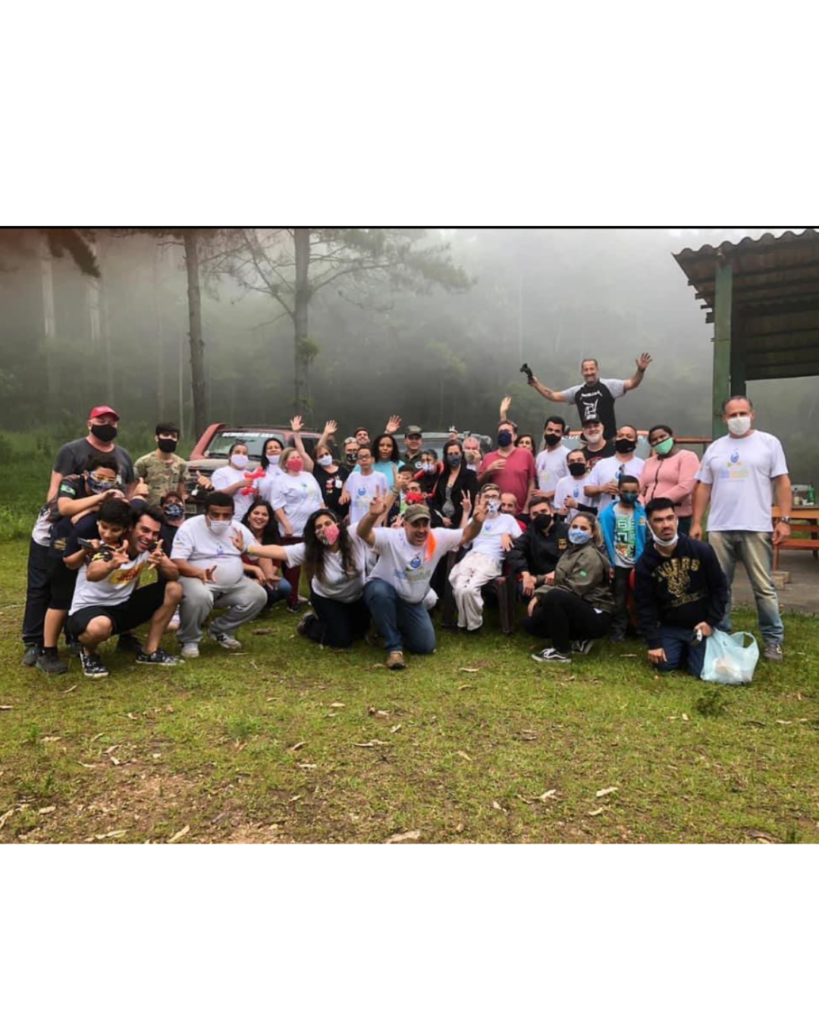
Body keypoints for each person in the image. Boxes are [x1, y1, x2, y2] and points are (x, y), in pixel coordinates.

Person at [692, 396, 791, 661]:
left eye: (742, 413)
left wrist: (784, 519)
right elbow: (703, 486)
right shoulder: (715, 448)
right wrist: (697, 522)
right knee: (719, 586)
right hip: (720, 527)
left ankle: (773, 640)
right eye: (733, 414)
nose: (738, 418)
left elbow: (782, 482)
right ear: (724, 418)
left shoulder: (768, 443)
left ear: (752, 415)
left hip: (756, 526)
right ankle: (722, 634)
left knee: (763, 587)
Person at [358, 492, 484, 670]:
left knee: (425, 646)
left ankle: (382, 625)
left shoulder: (438, 537)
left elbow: (466, 535)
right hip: (383, 590)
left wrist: (477, 522)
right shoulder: (392, 537)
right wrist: (372, 515)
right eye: (416, 524)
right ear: (405, 524)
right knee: (380, 593)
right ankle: (394, 649)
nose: (421, 530)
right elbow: (363, 533)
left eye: (425, 524)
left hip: (410, 600)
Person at [67, 504, 183, 676]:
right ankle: (90, 653)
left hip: (122, 606)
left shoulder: (151, 547)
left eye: (154, 533)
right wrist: (111, 565)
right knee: (99, 626)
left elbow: (174, 575)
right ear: (130, 528)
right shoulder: (110, 547)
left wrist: (162, 563)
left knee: (174, 589)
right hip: (89, 610)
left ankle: (149, 652)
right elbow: (92, 573)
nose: (149, 537)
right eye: (144, 530)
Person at [35, 455, 124, 674]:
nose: (104, 483)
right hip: (62, 541)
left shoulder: (112, 493)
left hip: (89, 542)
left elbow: (119, 511)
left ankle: (74, 639)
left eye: (109, 480)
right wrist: (98, 501)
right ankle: (48, 650)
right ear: (86, 474)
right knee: (61, 597)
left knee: (80, 592)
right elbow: (67, 510)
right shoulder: (72, 482)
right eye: (99, 478)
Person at [236, 508, 370, 648]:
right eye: (319, 527)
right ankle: (309, 623)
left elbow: (369, 522)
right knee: (341, 640)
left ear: (337, 524)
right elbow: (280, 551)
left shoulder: (353, 536)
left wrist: (376, 510)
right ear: (314, 533)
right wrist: (246, 548)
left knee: (360, 632)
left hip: (356, 597)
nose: (324, 529)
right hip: (328, 598)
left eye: (328, 523)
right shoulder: (310, 549)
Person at [636, 498, 729, 677]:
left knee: (701, 671)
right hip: (671, 626)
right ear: (649, 524)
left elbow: (720, 587)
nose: (666, 525)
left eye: (670, 518)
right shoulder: (644, 564)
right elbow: (645, 606)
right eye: (658, 520)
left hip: (700, 624)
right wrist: (654, 643)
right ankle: (682, 649)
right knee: (664, 665)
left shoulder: (702, 551)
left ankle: (694, 649)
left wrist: (711, 622)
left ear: (677, 520)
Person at [171, 491, 268, 657]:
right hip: (197, 579)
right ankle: (189, 639)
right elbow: (178, 561)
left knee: (258, 595)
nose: (220, 520)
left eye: (226, 515)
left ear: (233, 514)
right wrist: (199, 572)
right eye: (215, 515)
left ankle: (221, 630)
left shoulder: (238, 528)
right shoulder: (190, 527)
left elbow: (259, 553)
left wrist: (263, 568)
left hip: (234, 583)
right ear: (206, 513)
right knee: (199, 596)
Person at [525, 513, 614, 664]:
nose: (577, 531)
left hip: (596, 612)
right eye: (574, 526)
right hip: (579, 607)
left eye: (583, 528)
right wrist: (538, 580)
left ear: (592, 532)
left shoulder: (590, 556)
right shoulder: (571, 551)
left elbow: (575, 587)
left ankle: (561, 651)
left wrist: (539, 594)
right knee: (532, 623)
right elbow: (560, 577)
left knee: (554, 597)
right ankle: (581, 639)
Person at [449, 484, 522, 634]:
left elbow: (522, 541)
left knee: (471, 588)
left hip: (491, 559)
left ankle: (472, 625)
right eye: (487, 496)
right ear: (481, 499)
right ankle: (467, 623)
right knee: (459, 587)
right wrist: (467, 513)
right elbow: (461, 540)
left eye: (494, 496)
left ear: (499, 500)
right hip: (472, 556)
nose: (490, 500)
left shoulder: (508, 519)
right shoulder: (475, 519)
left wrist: (508, 535)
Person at [528, 353, 653, 439]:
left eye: (592, 369)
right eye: (586, 370)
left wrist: (640, 370)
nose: (589, 372)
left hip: (609, 439)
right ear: (582, 372)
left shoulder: (609, 385)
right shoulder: (577, 391)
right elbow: (553, 396)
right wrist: (536, 384)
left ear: (597, 370)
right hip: (587, 440)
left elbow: (632, 383)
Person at [268, 446, 324, 610]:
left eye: (298, 457)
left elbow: (319, 499)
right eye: (292, 458)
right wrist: (286, 524)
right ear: (285, 462)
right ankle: (292, 599)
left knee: (314, 563)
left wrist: (325, 516)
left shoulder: (309, 477)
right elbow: (277, 505)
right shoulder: (280, 480)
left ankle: (317, 595)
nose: (297, 460)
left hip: (313, 528)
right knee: (293, 566)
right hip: (293, 529)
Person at [48, 405, 136, 501]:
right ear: (89, 425)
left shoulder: (124, 455)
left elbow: (130, 490)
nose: (107, 426)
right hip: (78, 508)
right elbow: (55, 487)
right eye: (101, 422)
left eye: (112, 423)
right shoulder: (70, 451)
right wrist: (52, 508)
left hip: (116, 508)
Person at [599, 475, 647, 642]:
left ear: (639, 491)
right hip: (618, 564)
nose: (629, 495)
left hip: (638, 563)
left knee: (640, 597)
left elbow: (647, 537)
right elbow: (604, 540)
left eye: (634, 492)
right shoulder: (608, 514)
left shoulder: (642, 512)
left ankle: (641, 628)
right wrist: (609, 564)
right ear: (618, 491)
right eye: (625, 491)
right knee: (618, 599)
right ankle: (618, 630)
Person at [639, 425, 700, 536]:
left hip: (677, 518)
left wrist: (657, 503)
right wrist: (643, 505)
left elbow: (685, 487)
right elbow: (640, 488)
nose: (659, 441)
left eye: (662, 436)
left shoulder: (687, 457)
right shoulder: (648, 462)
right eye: (654, 440)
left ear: (672, 437)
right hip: (651, 517)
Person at [507, 496, 570, 598]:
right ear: (531, 517)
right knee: (524, 589)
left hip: (561, 576)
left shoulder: (566, 530)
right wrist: (526, 574)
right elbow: (515, 551)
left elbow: (572, 557)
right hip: (536, 578)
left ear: (552, 511)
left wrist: (557, 573)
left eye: (543, 511)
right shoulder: (530, 532)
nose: (540, 515)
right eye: (535, 514)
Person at [240, 499, 292, 608]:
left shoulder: (273, 536)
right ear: (248, 517)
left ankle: (263, 606)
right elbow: (234, 562)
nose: (260, 517)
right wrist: (255, 569)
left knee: (284, 587)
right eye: (256, 513)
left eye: (264, 515)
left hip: (265, 576)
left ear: (269, 519)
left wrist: (262, 580)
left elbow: (276, 564)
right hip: (242, 574)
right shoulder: (239, 534)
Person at [478, 419, 536, 515]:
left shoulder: (526, 454)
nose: (503, 433)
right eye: (500, 431)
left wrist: (526, 508)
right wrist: (488, 471)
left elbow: (532, 483)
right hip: (494, 511)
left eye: (507, 431)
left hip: (519, 511)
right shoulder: (488, 457)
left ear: (515, 436)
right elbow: (479, 484)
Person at [584, 425, 645, 513]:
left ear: (636, 442)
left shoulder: (643, 465)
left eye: (629, 437)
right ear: (615, 440)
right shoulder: (602, 464)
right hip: (607, 516)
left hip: (634, 515)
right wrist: (601, 489)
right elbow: (587, 490)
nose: (624, 439)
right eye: (620, 436)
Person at [134, 422, 187, 505]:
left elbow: (182, 493)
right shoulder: (143, 463)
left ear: (177, 441)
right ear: (157, 438)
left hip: (172, 510)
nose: (169, 438)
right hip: (149, 510)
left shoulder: (181, 464)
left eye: (173, 436)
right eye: (166, 435)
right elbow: (133, 491)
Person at [428, 440, 478, 527]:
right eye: (450, 454)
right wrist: (441, 518)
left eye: (456, 453)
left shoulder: (470, 475)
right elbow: (436, 500)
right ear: (446, 456)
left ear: (461, 454)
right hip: (442, 522)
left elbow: (472, 500)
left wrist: (453, 520)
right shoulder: (442, 475)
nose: (454, 456)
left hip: (462, 521)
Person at [341, 444, 390, 526]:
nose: (364, 459)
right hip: (355, 522)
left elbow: (386, 503)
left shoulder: (381, 477)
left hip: (375, 523)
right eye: (360, 457)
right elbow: (351, 502)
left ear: (373, 459)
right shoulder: (353, 476)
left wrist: (384, 524)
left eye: (367, 456)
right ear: (357, 460)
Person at [211, 442, 258, 523]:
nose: (241, 455)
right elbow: (219, 495)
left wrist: (256, 493)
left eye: (244, 453)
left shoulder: (250, 475)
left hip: (248, 517)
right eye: (237, 452)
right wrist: (238, 485)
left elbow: (253, 498)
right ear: (230, 456)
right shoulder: (221, 472)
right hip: (230, 517)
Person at [553, 448, 596, 524]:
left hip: (590, 524)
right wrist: (561, 512)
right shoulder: (562, 482)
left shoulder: (593, 481)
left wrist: (576, 505)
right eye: (572, 461)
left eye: (579, 460)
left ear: (587, 462)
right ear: (567, 464)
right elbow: (557, 507)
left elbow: (597, 510)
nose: (576, 463)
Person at [534, 416, 570, 502]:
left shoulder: (567, 455)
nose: (553, 433)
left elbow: (571, 482)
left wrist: (549, 494)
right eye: (550, 430)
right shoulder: (540, 456)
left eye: (557, 431)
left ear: (562, 434)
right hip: (542, 505)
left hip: (559, 506)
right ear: (544, 431)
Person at [312, 441, 349, 515]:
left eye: (326, 454)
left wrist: (345, 493)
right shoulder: (317, 471)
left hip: (343, 511)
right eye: (321, 456)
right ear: (316, 460)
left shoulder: (343, 470)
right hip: (325, 511)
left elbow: (347, 483)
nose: (325, 457)